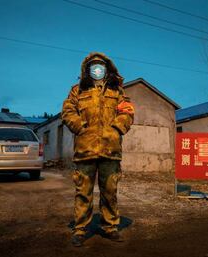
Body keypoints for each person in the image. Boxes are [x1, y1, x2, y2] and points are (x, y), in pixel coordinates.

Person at [61, 52, 134, 247]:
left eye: (100, 65)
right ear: (87, 69)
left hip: (110, 150)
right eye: (93, 65)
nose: (97, 68)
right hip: (85, 151)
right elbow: (68, 111)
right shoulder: (78, 90)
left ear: (107, 68)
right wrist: (80, 128)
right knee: (83, 192)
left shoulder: (117, 91)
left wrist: (116, 129)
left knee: (109, 191)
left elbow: (127, 112)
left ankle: (110, 227)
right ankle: (80, 229)